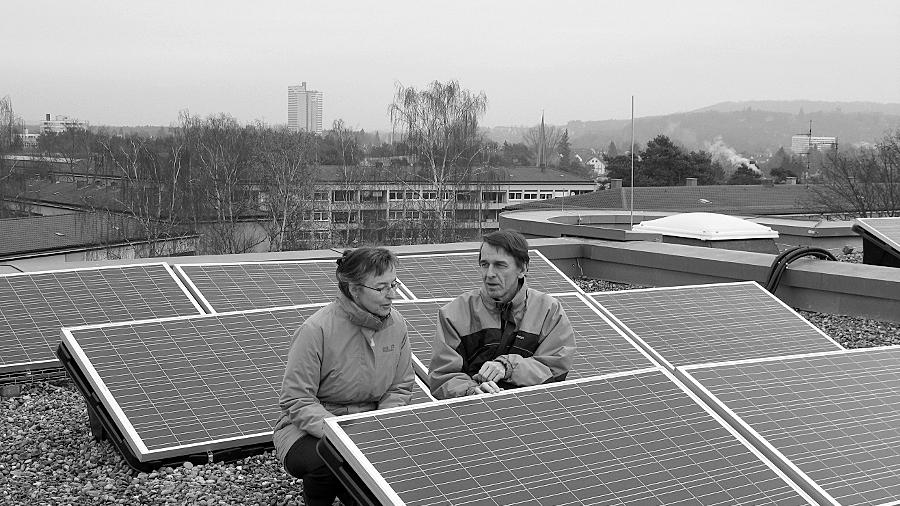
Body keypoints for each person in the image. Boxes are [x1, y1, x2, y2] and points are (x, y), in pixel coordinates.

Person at [273, 247, 414, 506]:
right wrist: (343, 433)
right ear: (353, 288)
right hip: (310, 429)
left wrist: (379, 424)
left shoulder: (397, 325)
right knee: (329, 460)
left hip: (372, 423)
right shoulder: (316, 330)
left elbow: (401, 386)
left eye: (393, 284)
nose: (392, 295)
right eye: (381, 288)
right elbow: (297, 399)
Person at [429, 230, 576, 399]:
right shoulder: (454, 314)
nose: (489, 274)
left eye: (500, 265)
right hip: (473, 414)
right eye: (484, 264)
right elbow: (442, 376)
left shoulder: (548, 311)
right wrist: (471, 390)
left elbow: (555, 367)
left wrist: (508, 367)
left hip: (533, 410)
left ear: (523, 269)